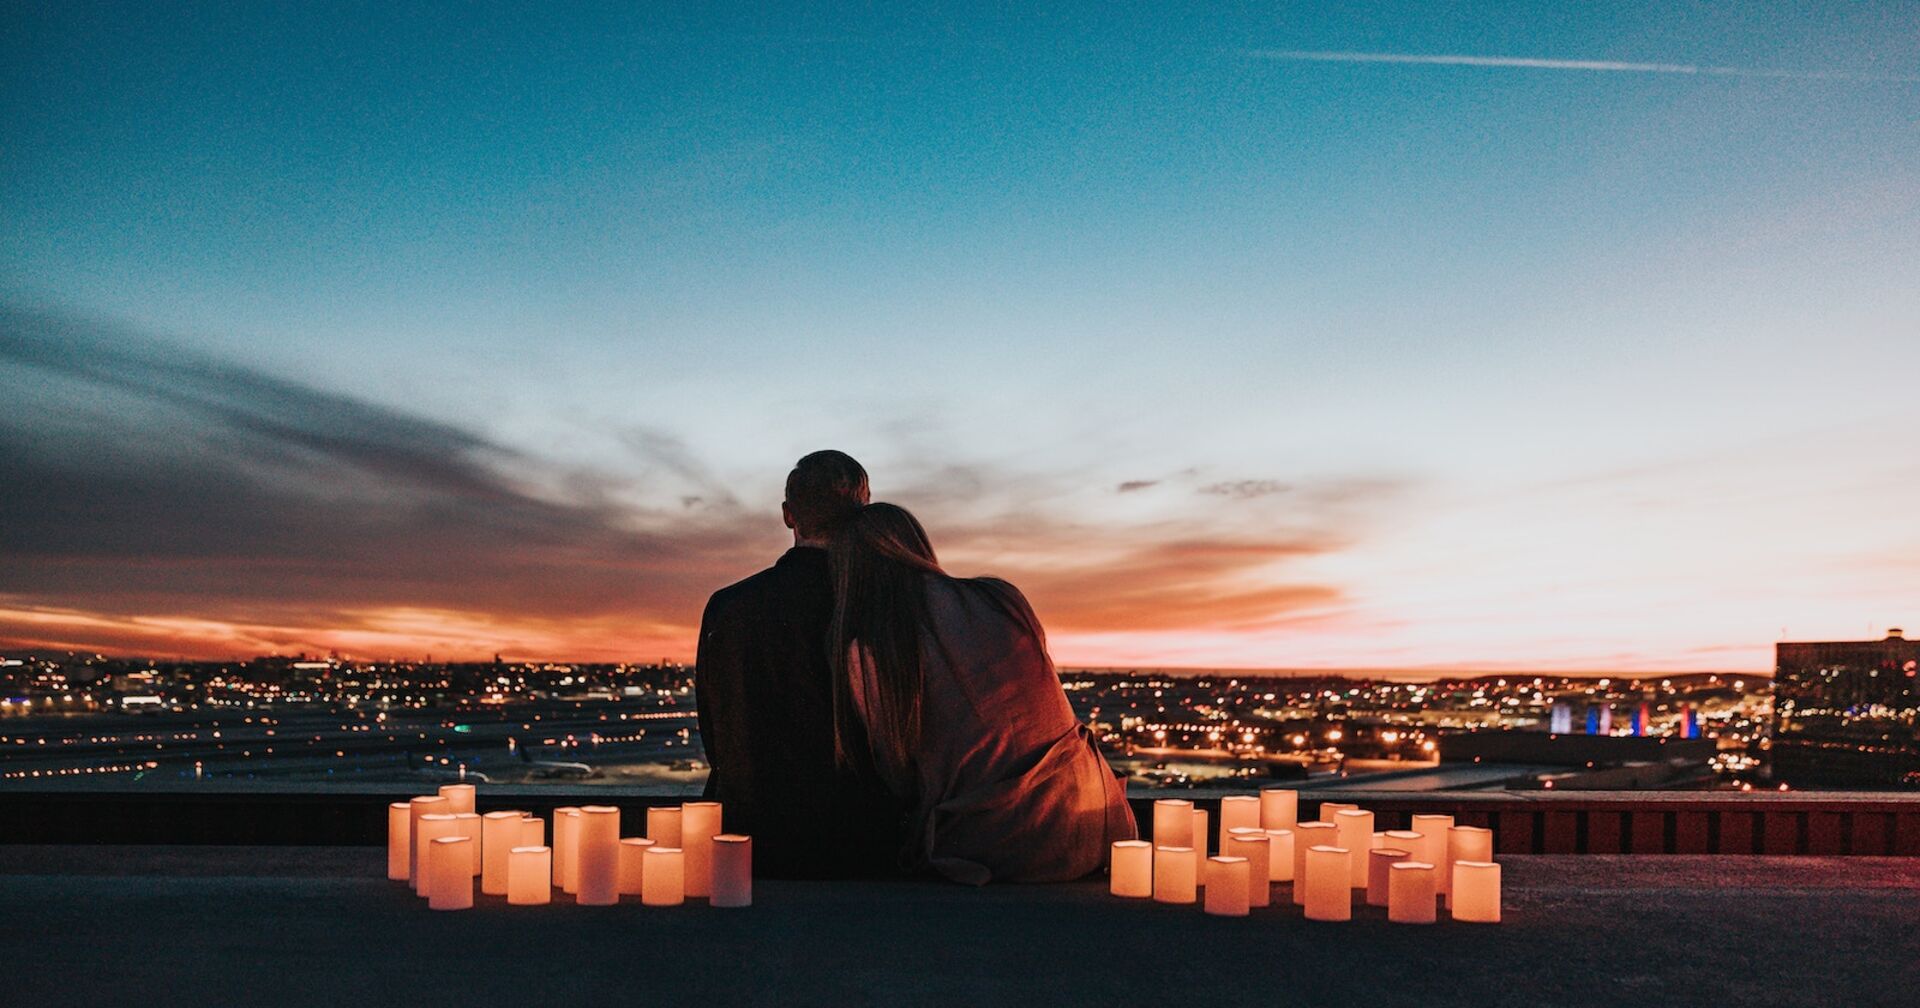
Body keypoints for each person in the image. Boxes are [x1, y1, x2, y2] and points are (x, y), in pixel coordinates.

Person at [827, 502, 1137, 884]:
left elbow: (898, 776)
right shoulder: (1001, 598)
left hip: (998, 846)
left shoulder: (873, 650)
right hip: (1097, 823)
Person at [695, 451, 902, 877]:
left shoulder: (728, 607)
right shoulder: (884, 606)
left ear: (789, 515)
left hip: (749, 839)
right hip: (858, 843)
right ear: (863, 512)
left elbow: (718, 737)